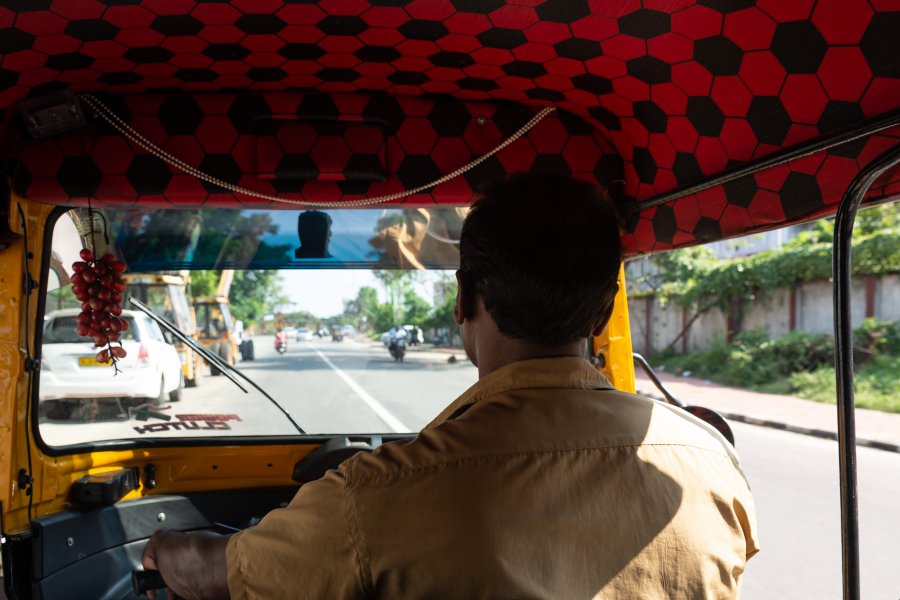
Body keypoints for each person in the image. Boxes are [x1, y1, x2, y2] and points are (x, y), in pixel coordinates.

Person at [142, 174, 758, 599]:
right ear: (602, 314)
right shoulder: (712, 465)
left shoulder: (377, 494)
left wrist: (160, 546)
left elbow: (213, 575)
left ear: (464, 298)